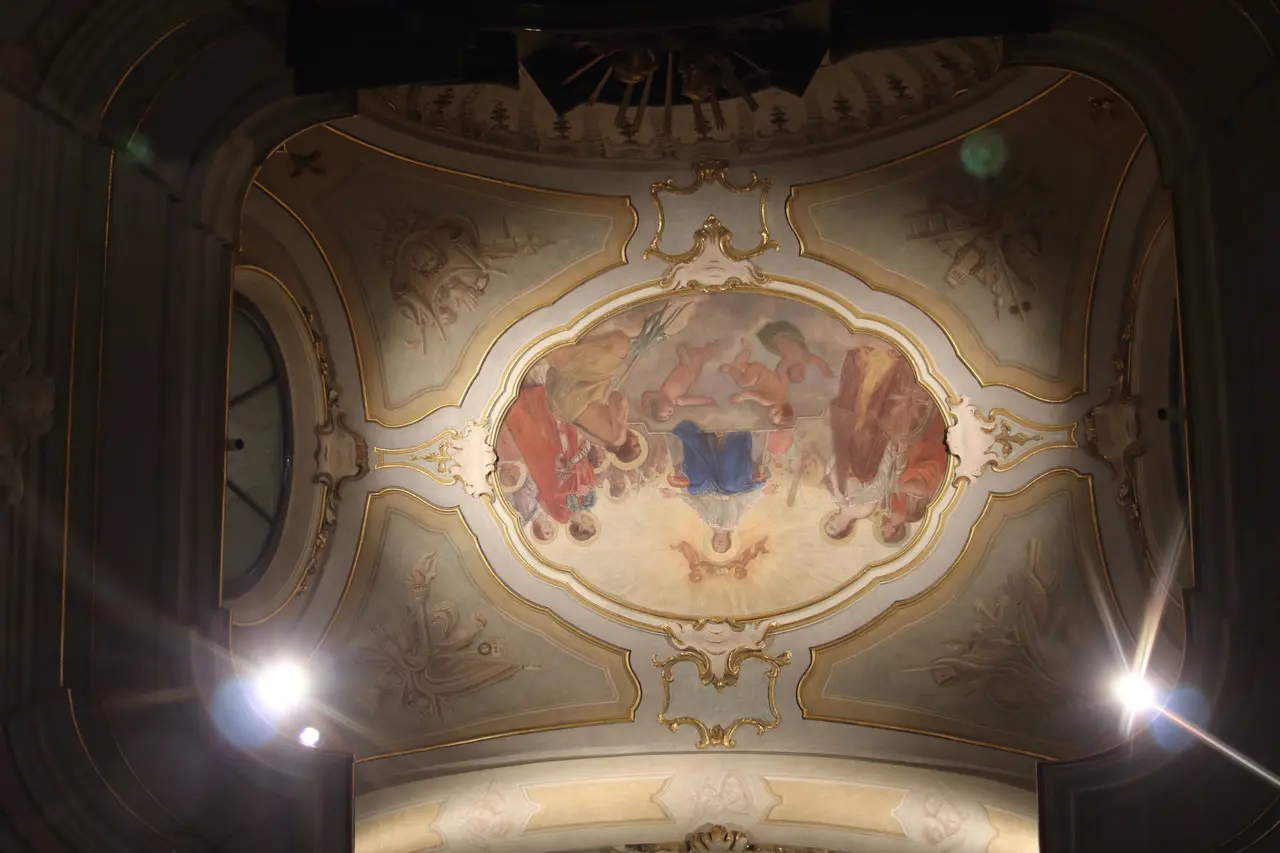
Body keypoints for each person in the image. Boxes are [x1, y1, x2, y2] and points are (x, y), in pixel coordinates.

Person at [502, 383, 600, 536]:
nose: (591, 521)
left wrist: (568, 488)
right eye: (592, 523)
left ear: (580, 528)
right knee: (548, 427)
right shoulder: (587, 500)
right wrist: (581, 479)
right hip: (566, 457)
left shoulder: (563, 516)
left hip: (546, 471)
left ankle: (513, 404)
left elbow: (542, 499)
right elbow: (585, 469)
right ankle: (531, 395)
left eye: (589, 525)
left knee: (532, 435)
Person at [665, 420, 772, 553]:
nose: (719, 545)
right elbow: (748, 504)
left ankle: (692, 435)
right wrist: (762, 493)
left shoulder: (708, 520)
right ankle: (735, 436)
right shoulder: (734, 523)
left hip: (710, 488)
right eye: (722, 547)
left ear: (713, 541)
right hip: (730, 490)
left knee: (695, 484)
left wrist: (676, 495)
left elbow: (694, 503)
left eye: (716, 547)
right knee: (730, 482)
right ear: (728, 542)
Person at [543, 330, 644, 464]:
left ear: (626, 449)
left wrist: (623, 415)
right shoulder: (605, 443)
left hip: (576, 398)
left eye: (635, 445)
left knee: (620, 346)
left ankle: (562, 353)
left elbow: (616, 397)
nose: (636, 439)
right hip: (566, 408)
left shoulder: (619, 437)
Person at [720, 336, 797, 427]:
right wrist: (739, 398)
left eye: (771, 417)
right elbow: (752, 395)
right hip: (756, 375)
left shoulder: (784, 389)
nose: (770, 413)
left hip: (761, 368)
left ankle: (747, 353)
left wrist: (785, 362)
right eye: (775, 413)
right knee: (742, 382)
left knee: (741, 366)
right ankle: (729, 368)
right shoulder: (768, 401)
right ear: (784, 406)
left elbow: (782, 372)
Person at [640, 340, 721, 422]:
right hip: (692, 372)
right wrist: (710, 401)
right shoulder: (678, 400)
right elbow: (697, 400)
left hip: (683, 364)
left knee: (685, 350)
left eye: (662, 413)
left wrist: (645, 406)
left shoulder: (662, 395)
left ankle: (711, 345)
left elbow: (646, 394)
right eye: (667, 417)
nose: (668, 414)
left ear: (658, 402)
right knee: (702, 355)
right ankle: (717, 344)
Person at [755, 319, 833, 383]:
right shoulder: (806, 359)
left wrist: (781, 378)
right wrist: (828, 374)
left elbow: (779, 371)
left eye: (796, 376)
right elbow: (820, 363)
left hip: (776, 335)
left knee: (766, 332)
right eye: (803, 376)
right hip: (791, 333)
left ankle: (762, 325)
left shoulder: (788, 362)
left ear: (788, 369)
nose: (801, 375)